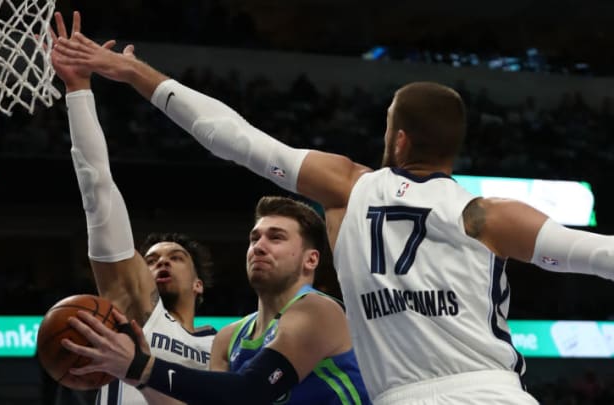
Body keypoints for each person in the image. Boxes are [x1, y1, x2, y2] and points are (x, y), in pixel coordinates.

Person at [52, 26, 614, 404]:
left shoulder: (349, 187)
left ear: (397, 139)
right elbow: (597, 255)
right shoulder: (490, 216)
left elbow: (232, 137)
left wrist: (136, 75)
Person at [50, 12, 216, 405]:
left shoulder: (223, 346)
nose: (159, 263)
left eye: (176, 258)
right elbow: (98, 188)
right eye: (151, 258)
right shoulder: (134, 315)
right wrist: (78, 89)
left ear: (199, 284)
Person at [63, 196, 370, 404]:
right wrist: (138, 378)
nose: (259, 246)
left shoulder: (319, 311)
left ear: (310, 260)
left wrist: (143, 367)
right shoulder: (228, 337)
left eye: (276, 238)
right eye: (254, 238)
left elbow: (252, 391)